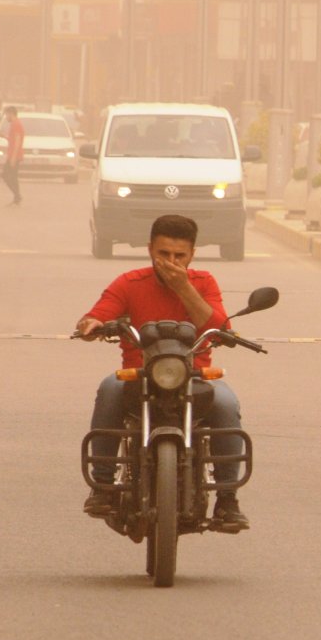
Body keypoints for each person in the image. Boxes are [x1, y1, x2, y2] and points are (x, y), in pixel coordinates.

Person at [76, 214, 248, 533]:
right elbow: (97, 314)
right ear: (150, 249)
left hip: (195, 375)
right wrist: (91, 325)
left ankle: (227, 499)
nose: (171, 261)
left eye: (179, 255)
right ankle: (102, 487)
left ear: (192, 254)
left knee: (226, 402)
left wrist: (183, 287)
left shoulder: (204, 282)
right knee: (109, 388)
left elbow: (218, 327)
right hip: (139, 374)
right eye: (163, 254)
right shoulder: (129, 282)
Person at [1, 106, 24, 205]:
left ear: (11, 113)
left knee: (6, 175)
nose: (6, 117)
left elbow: (18, 141)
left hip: (14, 155)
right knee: (13, 176)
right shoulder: (15, 124)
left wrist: (13, 157)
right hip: (13, 155)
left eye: (6, 114)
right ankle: (16, 196)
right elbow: (13, 139)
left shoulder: (16, 124)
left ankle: (17, 195)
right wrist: (5, 137)